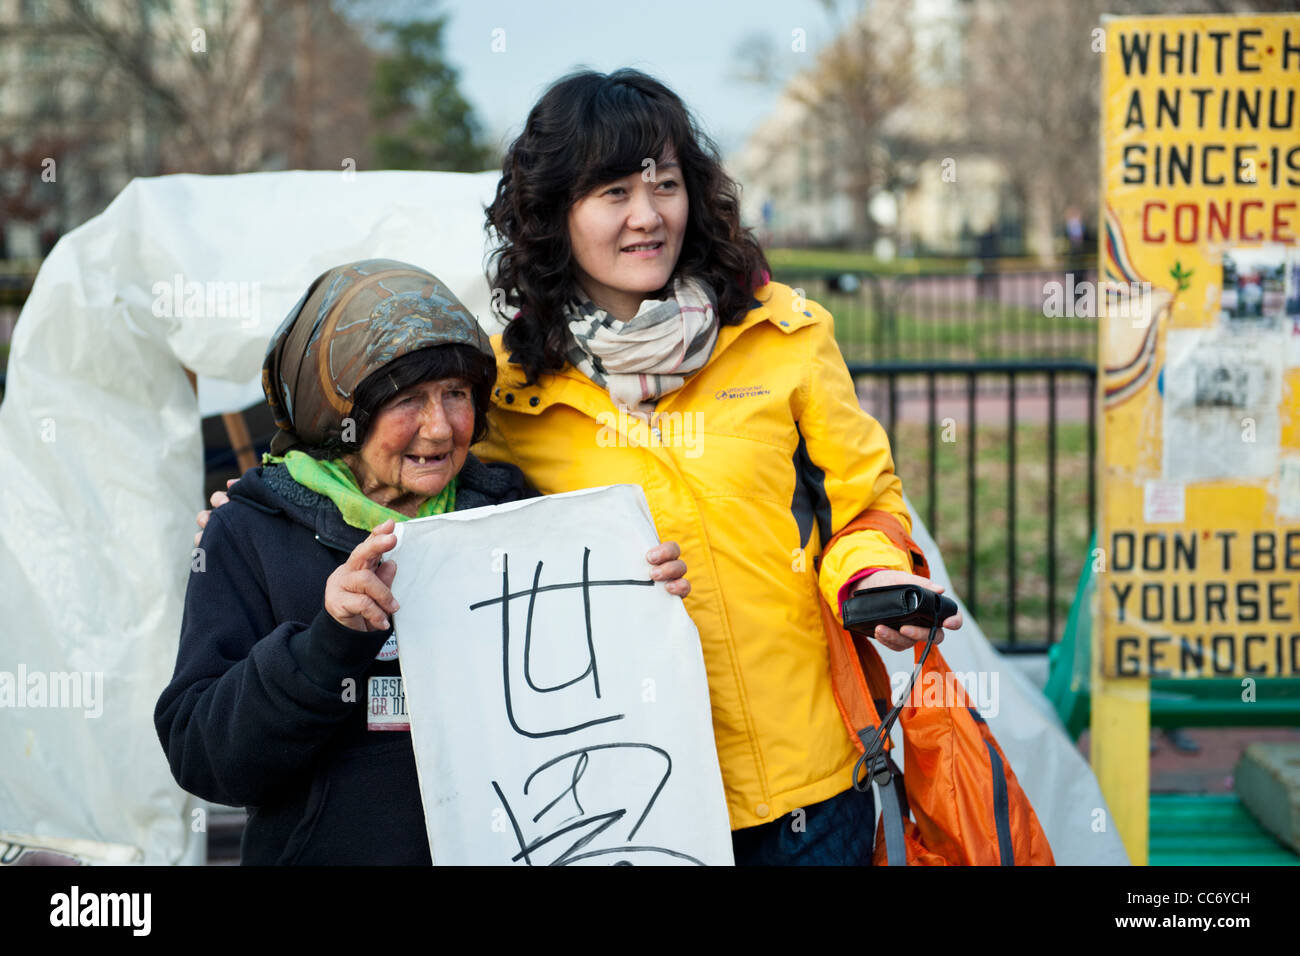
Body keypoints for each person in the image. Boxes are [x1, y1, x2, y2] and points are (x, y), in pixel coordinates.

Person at [477, 69, 961, 864]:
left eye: (665, 185)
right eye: (613, 193)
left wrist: (872, 580)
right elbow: (439, 530)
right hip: (622, 802)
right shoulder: (506, 390)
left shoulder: (787, 337)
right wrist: (263, 510)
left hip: (808, 783)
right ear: (553, 215)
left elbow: (865, 503)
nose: (648, 215)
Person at [161, 259, 689, 865]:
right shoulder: (250, 532)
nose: (439, 429)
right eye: (407, 399)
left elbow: (577, 698)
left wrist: (634, 602)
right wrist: (326, 645)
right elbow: (206, 759)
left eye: (457, 395)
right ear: (339, 411)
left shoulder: (509, 512)